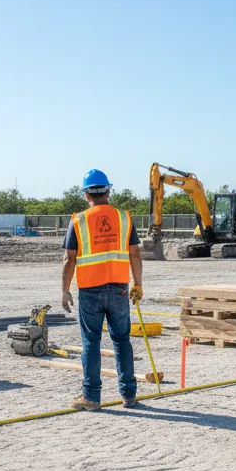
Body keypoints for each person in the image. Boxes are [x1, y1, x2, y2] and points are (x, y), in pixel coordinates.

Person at [60, 169, 143, 410]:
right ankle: (129, 395)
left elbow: (69, 258)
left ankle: (92, 398)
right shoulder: (124, 218)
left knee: (91, 342)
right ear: (108, 191)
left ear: (87, 194)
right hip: (119, 288)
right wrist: (138, 284)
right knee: (121, 341)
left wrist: (65, 289)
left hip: (89, 291)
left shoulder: (78, 221)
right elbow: (135, 253)